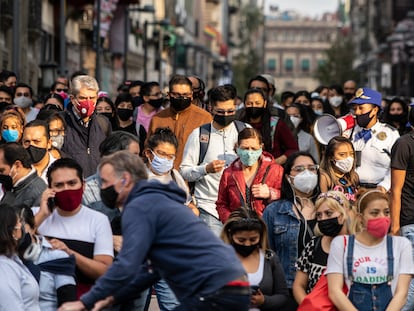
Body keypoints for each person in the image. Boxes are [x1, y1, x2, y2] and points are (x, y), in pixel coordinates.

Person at [59, 150, 250, 311]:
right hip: (233, 283)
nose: (102, 188)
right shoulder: (156, 201)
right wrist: (113, 297)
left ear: (125, 179)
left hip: (213, 288)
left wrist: (84, 301)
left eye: (105, 182)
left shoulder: (139, 205)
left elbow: (127, 266)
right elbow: (150, 269)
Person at [33, 158, 114, 298]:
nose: (67, 189)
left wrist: (69, 253)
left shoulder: (98, 220)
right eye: (59, 185)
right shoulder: (36, 215)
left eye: (72, 183)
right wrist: (42, 215)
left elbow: (104, 270)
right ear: (50, 189)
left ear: (83, 185)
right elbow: (14, 245)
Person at [326, 189, 414, 311]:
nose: (382, 217)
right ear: (360, 217)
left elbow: (402, 293)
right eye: (375, 213)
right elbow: (335, 291)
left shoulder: (402, 245)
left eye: (386, 212)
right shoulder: (341, 244)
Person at [180, 84, 248, 236]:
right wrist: (205, 169)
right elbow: (184, 171)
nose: (226, 115)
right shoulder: (199, 135)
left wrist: (245, 155)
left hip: (241, 209)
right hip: (209, 208)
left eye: (230, 111)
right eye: (221, 112)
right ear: (211, 109)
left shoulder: (245, 131)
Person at [263, 151, 320, 310]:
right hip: (286, 289)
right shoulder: (273, 211)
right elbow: (267, 253)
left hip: (323, 289)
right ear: (288, 177)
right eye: (299, 169)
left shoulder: (328, 208)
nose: (307, 173)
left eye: (311, 168)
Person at [221, 208, 289, 310]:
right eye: (241, 240)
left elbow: (283, 296)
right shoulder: (220, 259)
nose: (247, 244)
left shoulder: (269, 258)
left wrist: (264, 301)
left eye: (253, 239)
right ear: (230, 234)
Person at [292, 191, 351, 304]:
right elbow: (299, 285)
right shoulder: (314, 245)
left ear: (343, 214)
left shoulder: (357, 247)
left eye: (329, 213)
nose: (323, 219)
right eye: (319, 215)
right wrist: (309, 307)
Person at [216, 128, 283, 223]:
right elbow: (221, 204)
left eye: (254, 148)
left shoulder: (276, 170)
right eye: (245, 148)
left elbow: (288, 198)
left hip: (268, 228)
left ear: (261, 147)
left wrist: (270, 193)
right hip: (239, 231)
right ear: (237, 147)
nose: (249, 153)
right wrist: (231, 221)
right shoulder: (228, 173)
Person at [18, 205, 77, 310]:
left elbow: (68, 301)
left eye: (22, 229)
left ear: (33, 228)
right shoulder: (6, 261)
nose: (18, 236)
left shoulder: (56, 257)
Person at [148, 75, 212, 169]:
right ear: (169, 95)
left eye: (185, 95)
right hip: (161, 176)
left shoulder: (204, 118)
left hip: (191, 178)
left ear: (191, 95)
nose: (181, 98)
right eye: (176, 95)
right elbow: (148, 148)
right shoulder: (158, 118)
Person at [348, 87, 399, 192]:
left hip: (380, 190)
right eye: (355, 108)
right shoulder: (350, 132)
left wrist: (384, 186)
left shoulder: (390, 134)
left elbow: (397, 164)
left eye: (361, 108)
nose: (357, 112)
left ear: (374, 110)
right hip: (353, 189)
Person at [61, 75, 111, 177]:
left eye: (92, 98)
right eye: (83, 98)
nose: (88, 102)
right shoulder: (60, 122)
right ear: (72, 99)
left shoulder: (103, 123)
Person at [390, 103, 414, 310]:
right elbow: (395, 190)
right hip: (410, 223)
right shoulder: (404, 143)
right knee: (409, 284)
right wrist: (395, 227)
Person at [144, 127, 198, 216]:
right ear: (148, 153)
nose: (165, 159)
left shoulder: (175, 176)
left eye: (170, 156)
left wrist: (192, 211)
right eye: (162, 154)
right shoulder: (136, 176)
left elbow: (187, 204)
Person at [237, 88, 298, 165]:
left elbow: (293, 149)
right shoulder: (239, 125)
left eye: (257, 103)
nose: (253, 106)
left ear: (264, 103)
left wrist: (275, 162)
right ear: (244, 104)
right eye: (250, 103)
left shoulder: (276, 123)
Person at [0, 204, 40, 310]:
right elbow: (10, 306)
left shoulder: (13, 260)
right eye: (19, 222)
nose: (22, 228)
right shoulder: (4, 267)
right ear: (12, 231)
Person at [319, 136, 359, 205]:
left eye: (351, 154)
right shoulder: (325, 177)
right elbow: (323, 204)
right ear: (331, 157)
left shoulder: (354, 177)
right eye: (342, 155)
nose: (348, 158)